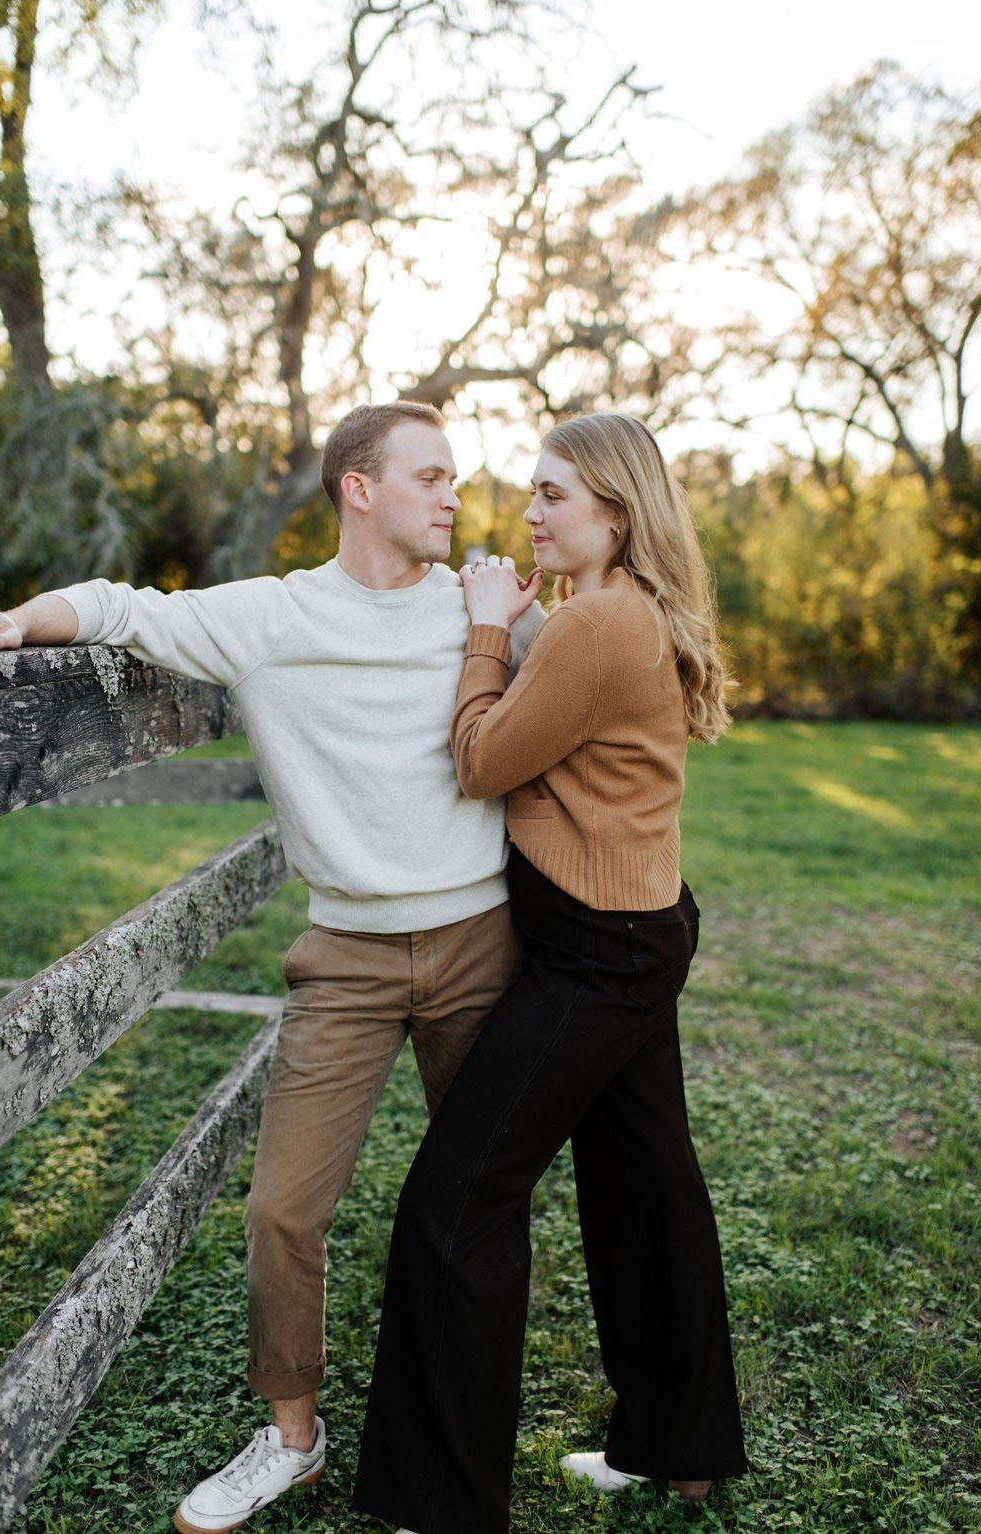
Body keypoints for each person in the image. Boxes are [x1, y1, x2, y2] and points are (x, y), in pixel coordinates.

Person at [0, 401, 546, 1534]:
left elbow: (585, 673)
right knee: (281, 1210)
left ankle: (461, 1437)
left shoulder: (482, 610)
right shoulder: (272, 617)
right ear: (358, 490)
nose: (452, 494)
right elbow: (126, 606)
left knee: (484, 1202)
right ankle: (292, 1437)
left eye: (453, 476)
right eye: (428, 475)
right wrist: (18, 618)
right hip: (346, 956)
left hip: (483, 940)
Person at [351, 413, 749, 1534]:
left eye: (552, 495)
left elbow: (481, 761)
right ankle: (679, 1446)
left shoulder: (595, 625)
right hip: (637, 929)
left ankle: (444, 1502)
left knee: (457, 1198)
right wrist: (523, 629)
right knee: (645, 1187)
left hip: (594, 956)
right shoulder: (625, 611)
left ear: (615, 513)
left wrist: (488, 630)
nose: (529, 514)